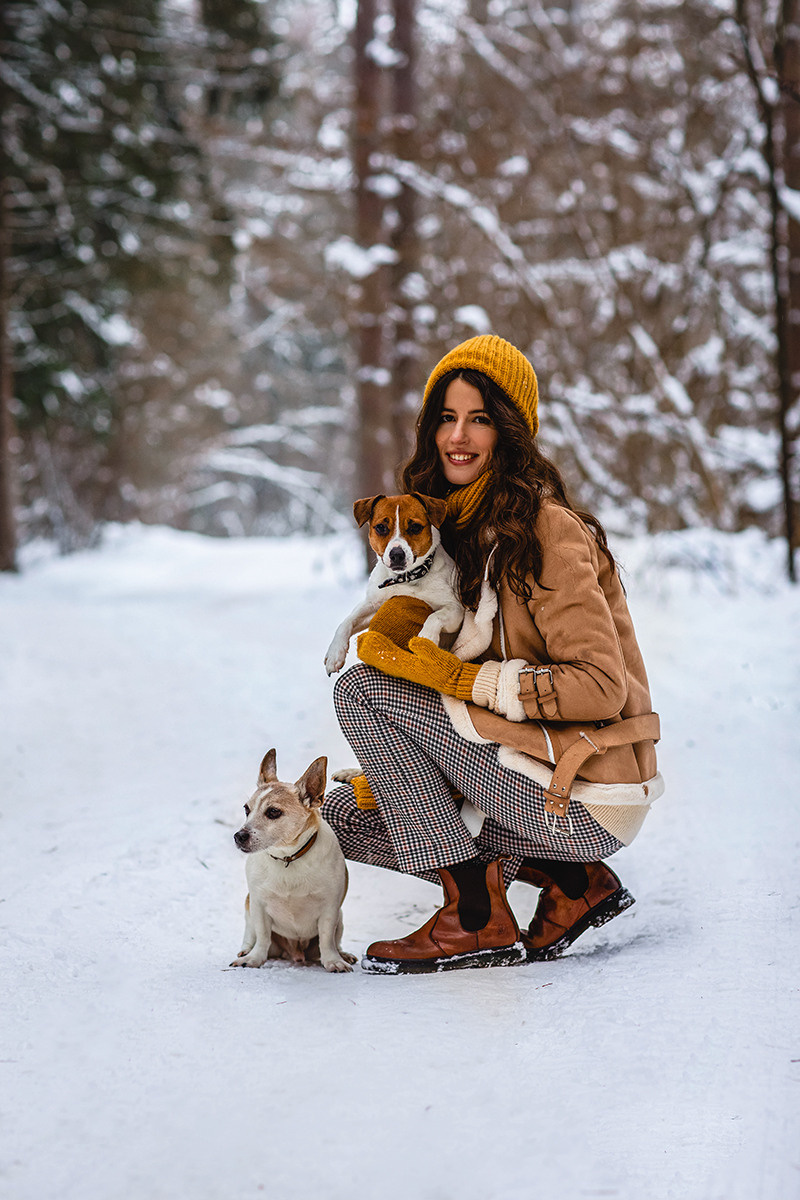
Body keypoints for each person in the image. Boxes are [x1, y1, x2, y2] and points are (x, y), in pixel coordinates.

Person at [324, 334, 663, 974]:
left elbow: (598, 687)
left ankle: (476, 917)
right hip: (524, 770)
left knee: (363, 693)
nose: (459, 435)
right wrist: (401, 767)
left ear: (509, 431)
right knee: (338, 817)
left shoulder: (547, 528)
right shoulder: (447, 531)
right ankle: (573, 883)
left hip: (587, 791)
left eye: (480, 419)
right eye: (446, 418)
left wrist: (460, 678)